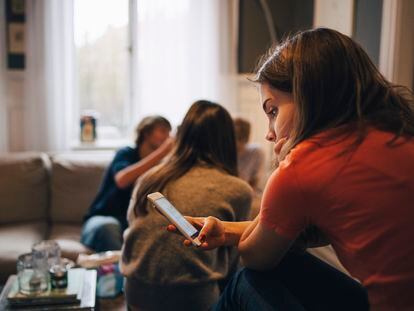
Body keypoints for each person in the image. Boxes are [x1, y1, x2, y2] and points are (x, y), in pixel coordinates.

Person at [169, 28, 414, 310]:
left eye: (272, 111)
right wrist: (224, 231)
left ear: (308, 96)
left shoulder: (305, 164)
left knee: (244, 282)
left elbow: (255, 257)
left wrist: (285, 167)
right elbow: (304, 233)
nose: (270, 133)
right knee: (289, 258)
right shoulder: (395, 133)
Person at [120, 100, 252, 311]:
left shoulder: (149, 177)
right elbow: (233, 264)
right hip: (191, 297)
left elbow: (131, 228)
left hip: (136, 291)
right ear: (227, 140)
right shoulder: (238, 189)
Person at [81, 116, 172, 252]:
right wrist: (162, 152)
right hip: (102, 219)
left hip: (131, 224)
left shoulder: (162, 165)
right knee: (109, 227)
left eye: (169, 132)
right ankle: (119, 272)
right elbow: (122, 180)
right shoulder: (125, 153)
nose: (168, 137)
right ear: (146, 132)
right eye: (163, 130)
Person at [233, 117, 266, 194]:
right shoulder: (224, 153)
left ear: (246, 138)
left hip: (247, 192)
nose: (236, 143)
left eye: (239, 138)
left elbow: (255, 182)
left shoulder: (256, 152)